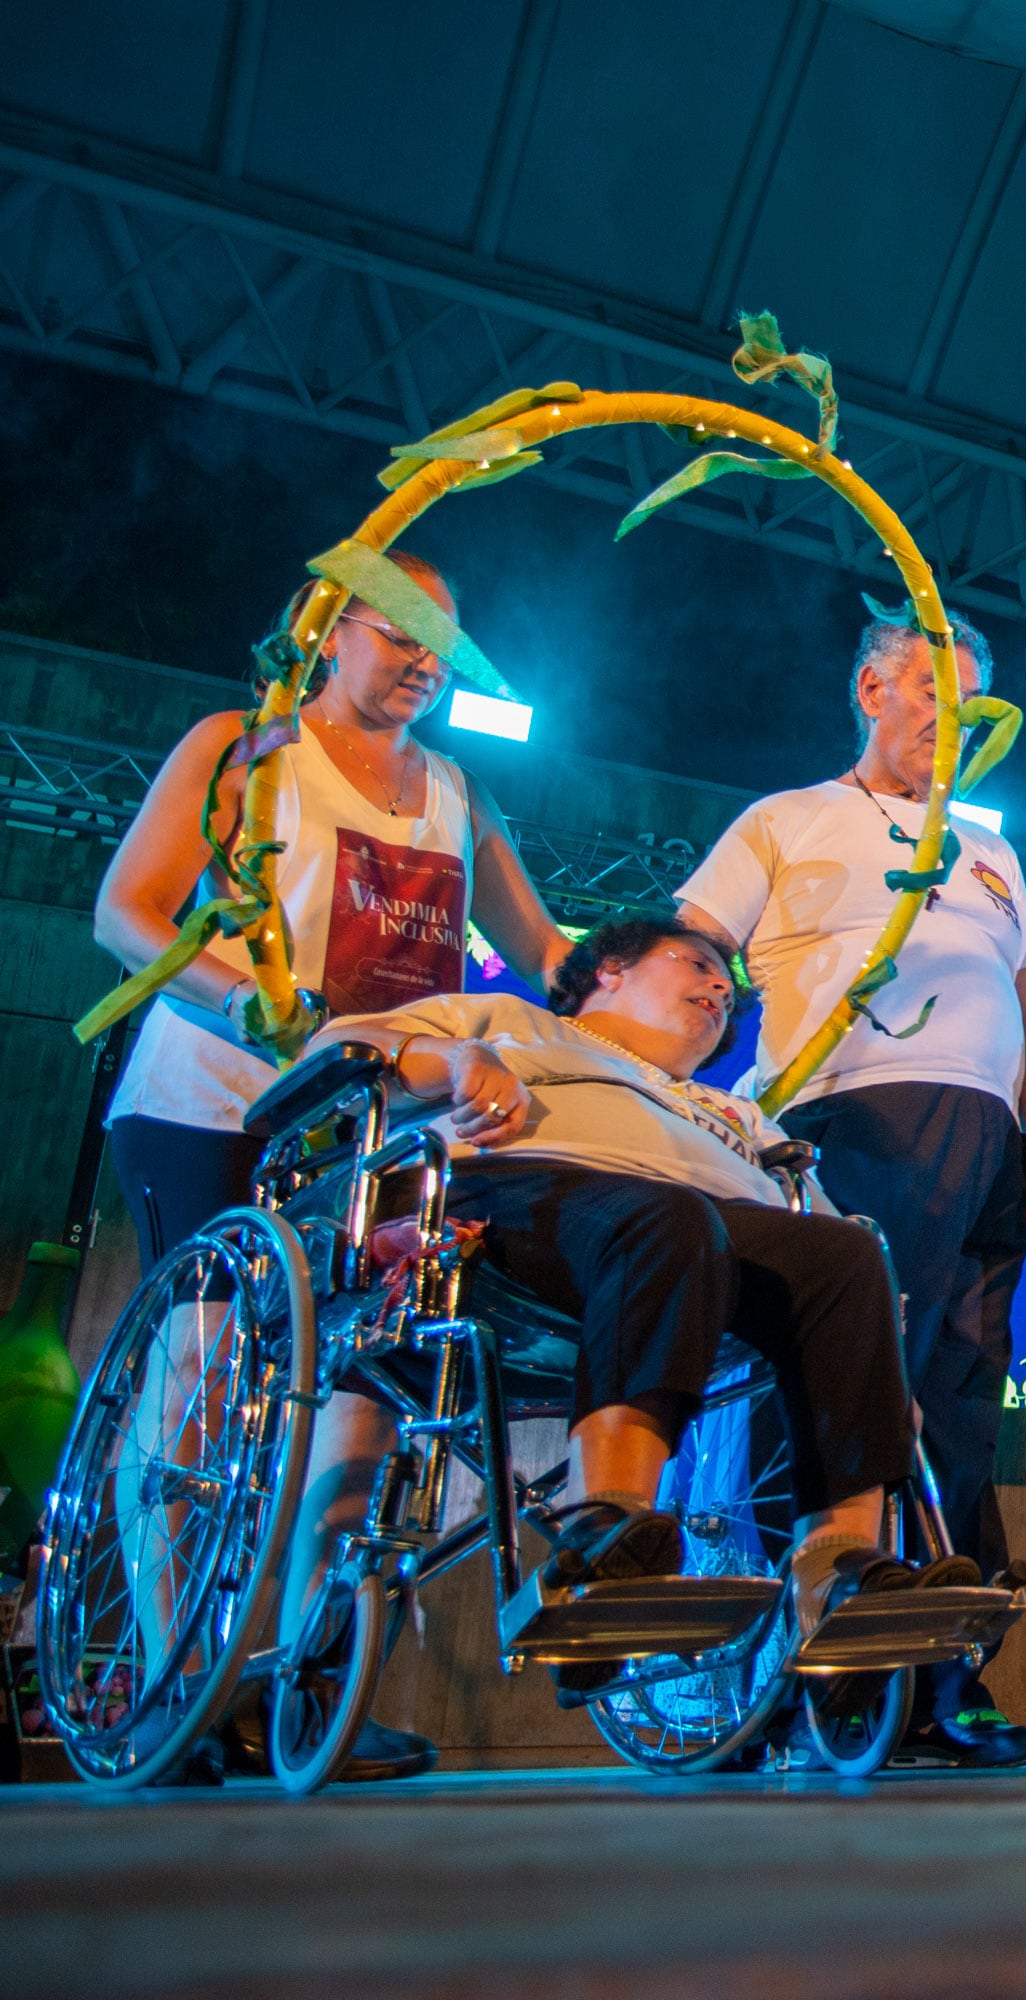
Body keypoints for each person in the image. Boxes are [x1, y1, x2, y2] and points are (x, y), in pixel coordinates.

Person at [93, 549, 570, 1785]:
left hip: (374, 1134)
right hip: (219, 1106)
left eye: (440, 646)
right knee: (199, 1387)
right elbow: (125, 911)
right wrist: (266, 1013)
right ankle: (170, 1686)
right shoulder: (243, 747)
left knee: (359, 1403)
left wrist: (686, 981)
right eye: (398, 633)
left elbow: (546, 953)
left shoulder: (456, 789)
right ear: (330, 627)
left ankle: (314, 1693)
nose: (420, 663)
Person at [313, 918, 964, 1697]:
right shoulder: (510, 1025)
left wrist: (874, 1375)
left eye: (731, 987)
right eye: (696, 964)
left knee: (846, 1253)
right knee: (668, 1216)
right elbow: (337, 1053)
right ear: (609, 970)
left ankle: (840, 1568)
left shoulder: (730, 1111)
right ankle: (607, 1527)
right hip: (518, 1209)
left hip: (699, 1252)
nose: (722, 987)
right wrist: (456, 1059)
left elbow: (820, 1231)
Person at [676, 607, 1026, 1770]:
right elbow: (688, 954)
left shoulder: (996, 853)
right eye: (933, 698)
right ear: (872, 689)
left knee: (958, 1398)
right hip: (848, 1119)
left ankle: (943, 1677)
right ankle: (797, 1672)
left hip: (990, 1144)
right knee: (840, 1391)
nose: (953, 727)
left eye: (973, 712)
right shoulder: (787, 818)